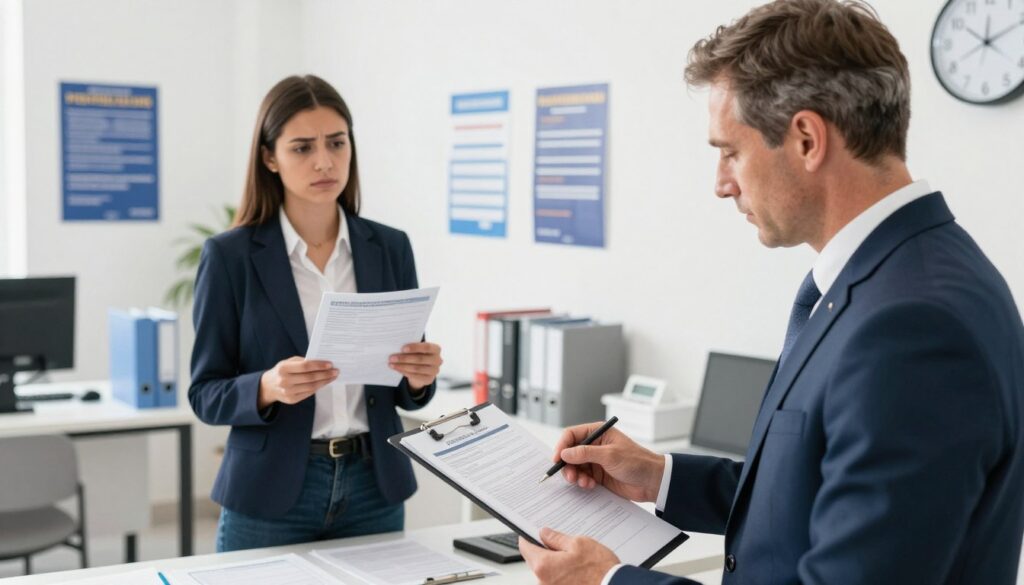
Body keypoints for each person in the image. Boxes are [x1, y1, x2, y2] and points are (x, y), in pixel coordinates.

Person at [518, 1, 1024, 583]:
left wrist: (608, 581)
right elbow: (814, 493)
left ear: (807, 139)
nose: (720, 185)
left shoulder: (913, 326)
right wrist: (661, 475)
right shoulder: (884, 278)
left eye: (730, 152)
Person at [189, 75, 443, 551]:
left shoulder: (389, 247)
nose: (325, 161)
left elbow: (408, 394)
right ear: (270, 158)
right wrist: (267, 387)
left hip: (374, 486)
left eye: (336, 143)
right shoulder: (230, 257)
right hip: (271, 491)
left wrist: (419, 378)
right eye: (302, 148)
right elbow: (205, 394)